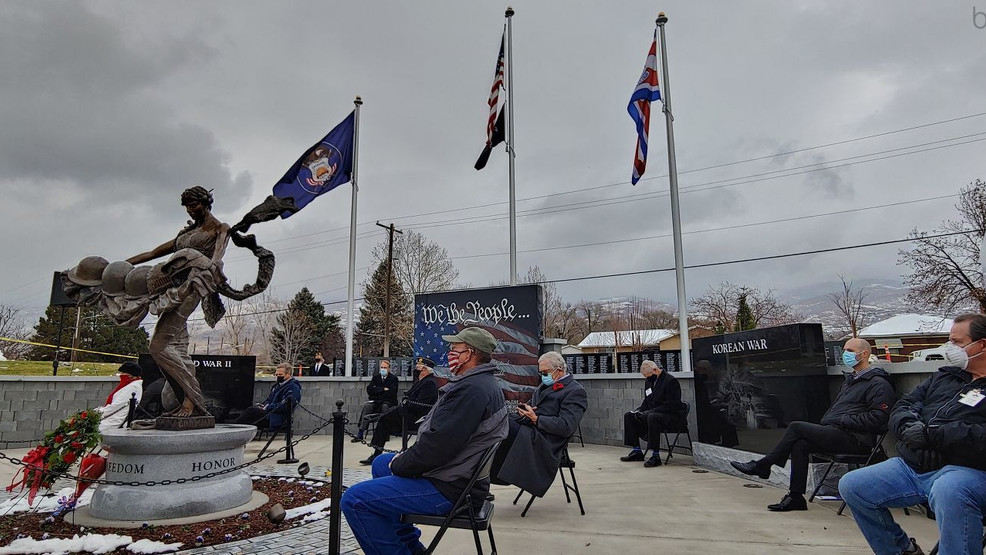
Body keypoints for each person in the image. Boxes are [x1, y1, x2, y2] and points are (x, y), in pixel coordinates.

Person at [341, 326, 508, 555]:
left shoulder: (472, 390)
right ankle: (412, 547)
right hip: (457, 475)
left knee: (354, 500)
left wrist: (401, 463)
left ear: (469, 353)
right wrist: (403, 459)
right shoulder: (480, 384)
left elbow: (438, 447)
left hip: (451, 488)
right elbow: (443, 441)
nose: (449, 353)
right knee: (381, 464)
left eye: (454, 349)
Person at [840, 313, 986, 555]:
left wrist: (935, 436)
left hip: (969, 470)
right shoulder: (945, 376)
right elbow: (904, 406)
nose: (951, 348)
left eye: (958, 342)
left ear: (981, 344)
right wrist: (911, 431)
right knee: (854, 486)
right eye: (950, 341)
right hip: (917, 464)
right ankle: (902, 551)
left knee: (949, 489)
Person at [730, 337, 897, 511]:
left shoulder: (878, 383)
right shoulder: (851, 381)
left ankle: (763, 466)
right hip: (837, 432)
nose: (845, 354)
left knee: (796, 426)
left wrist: (843, 420)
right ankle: (795, 497)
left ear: (864, 354)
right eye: (844, 350)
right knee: (801, 444)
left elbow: (879, 419)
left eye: (850, 351)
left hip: (856, 439)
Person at [126, 186, 230, 418]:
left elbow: (217, 257)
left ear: (205, 203)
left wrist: (212, 266)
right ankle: (181, 399)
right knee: (176, 347)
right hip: (171, 289)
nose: (190, 210)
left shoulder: (220, 228)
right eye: (187, 206)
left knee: (158, 346)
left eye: (194, 205)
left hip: (193, 287)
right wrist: (121, 265)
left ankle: (192, 402)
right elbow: (153, 253)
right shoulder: (184, 235)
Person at [491, 351, 587, 497]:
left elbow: (566, 426)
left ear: (559, 370)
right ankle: (488, 475)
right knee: (503, 421)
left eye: (545, 372)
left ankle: (492, 477)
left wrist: (536, 419)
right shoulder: (544, 385)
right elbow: (535, 405)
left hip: (548, 441)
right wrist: (526, 409)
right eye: (541, 373)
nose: (543, 376)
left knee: (508, 429)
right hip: (534, 429)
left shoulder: (575, 391)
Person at [360, 357, 440, 465]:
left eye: (419, 368)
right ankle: (376, 452)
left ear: (425, 370)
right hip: (408, 412)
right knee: (385, 419)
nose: (416, 370)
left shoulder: (429, 383)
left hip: (417, 418)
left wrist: (405, 404)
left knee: (385, 418)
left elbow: (421, 406)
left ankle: (376, 451)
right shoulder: (422, 381)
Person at [620, 359, 686, 467]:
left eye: (648, 375)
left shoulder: (670, 381)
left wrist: (652, 411)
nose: (647, 378)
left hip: (671, 415)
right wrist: (639, 412)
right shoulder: (649, 382)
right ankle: (636, 451)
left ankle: (655, 455)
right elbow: (647, 401)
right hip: (652, 413)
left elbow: (673, 404)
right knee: (629, 416)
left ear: (655, 370)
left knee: (652, 417)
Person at [233, 363, 302, 431]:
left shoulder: (293, 388)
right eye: (276, 374)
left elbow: (286, 406)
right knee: (248, 417)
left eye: (280, 375)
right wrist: (263, 405)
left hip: (277, 418)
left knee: (251, 411)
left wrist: (268, 407)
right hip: (270, 414)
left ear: (289, 374)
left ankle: (233, 428)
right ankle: (236, 429)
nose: (278, 376)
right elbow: (269, 399)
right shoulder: (277, 386)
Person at [353, 359, 400, 442]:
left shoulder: (393, 379)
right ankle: (360, 432)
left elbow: (392, 392)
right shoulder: (376, 378)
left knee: (385, 407)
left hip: (388, 401)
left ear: (389, 369)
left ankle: (383, 432)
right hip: (375, 401)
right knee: (367, 407)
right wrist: (383, 389)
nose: (383, 369)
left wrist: (377, 390)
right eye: (382, 367)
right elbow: (370, 390)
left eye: (385, 367)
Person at [95, 361, 144, 433]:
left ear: (131, 375)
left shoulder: (133, 387)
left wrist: (96, 414)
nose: (121, 375)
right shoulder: (130, 385)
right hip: (111, 417)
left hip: (113, 420)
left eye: (123, 373)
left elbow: (116, 406)